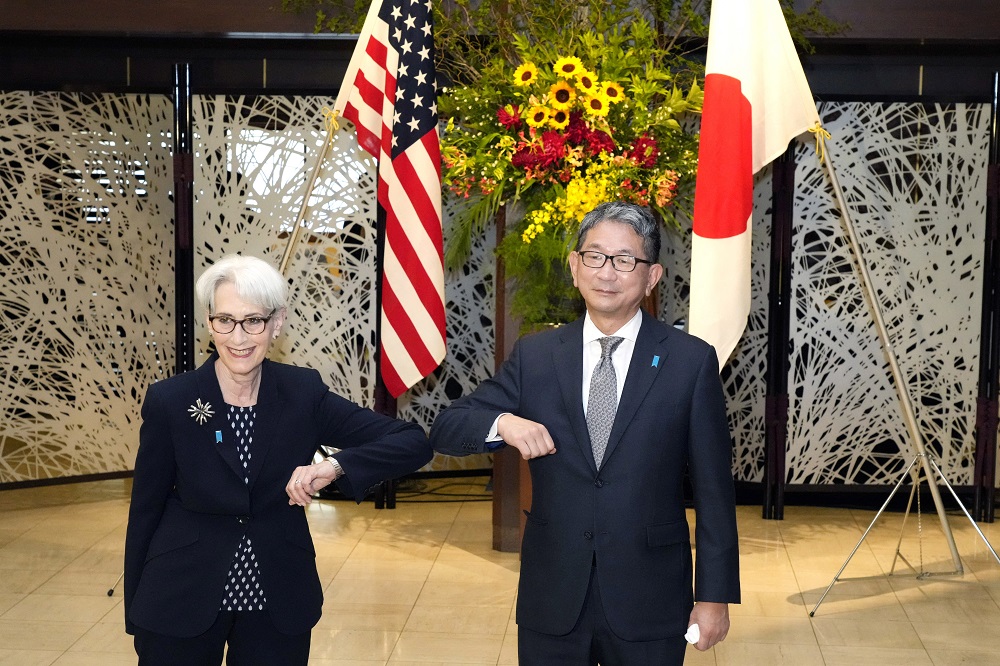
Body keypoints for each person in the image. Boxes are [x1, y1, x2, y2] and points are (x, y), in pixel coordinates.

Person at [430, 202, 740, 664]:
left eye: (624, 260)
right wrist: (503, 423)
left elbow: (716, 491)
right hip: (552, 595)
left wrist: (714, 596)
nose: (607, 273)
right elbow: (448, 427)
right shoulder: (536, 355)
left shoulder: (689, 361)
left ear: (652, 276)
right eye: (594, 257)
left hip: (649, 597)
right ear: (575, 267)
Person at [124, 254, 432, 665]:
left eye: (253, 321)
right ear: (210, 321)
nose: (239, 337)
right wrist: (137, 611)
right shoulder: (171, 400)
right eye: (225, 320)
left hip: (278, 595)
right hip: (181, 594)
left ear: (277, 322)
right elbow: (145, 510)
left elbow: (411, 441)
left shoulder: (302, 393)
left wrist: (334, 466)